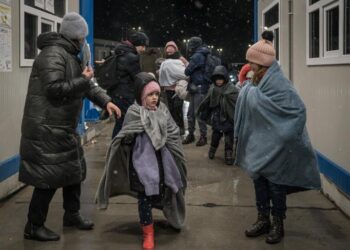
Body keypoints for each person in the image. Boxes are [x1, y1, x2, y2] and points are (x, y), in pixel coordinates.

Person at [19, 12, 121, 241]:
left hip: (62, 126)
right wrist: (83, 80)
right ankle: (33, 226)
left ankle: (71, 215)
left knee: (74, 171)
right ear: (76, 36)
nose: (85, 41)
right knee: (47, 178)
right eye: (83, 37)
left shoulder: (71, 55)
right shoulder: (53, 54)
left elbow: (88, 87)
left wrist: (107, 101)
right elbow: (54, 88)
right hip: (46, 127)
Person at [234, 31, 321, 244]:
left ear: (260, 63)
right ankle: (262, 219)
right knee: (259, 181)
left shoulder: (279, 83)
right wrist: (248, 91)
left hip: (277, 145)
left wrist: (283, 137)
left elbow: (298, 110)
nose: (249, 64)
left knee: (276, 184)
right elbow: (258, 109)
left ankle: (277, 224)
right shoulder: (256, 80)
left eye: (251, 61)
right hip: (259, 142)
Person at [96, 72, 187, 249]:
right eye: (150, 95)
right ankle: (148, 232)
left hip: (162, 162)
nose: (154, 98)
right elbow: (124, 137)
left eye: (156, 94)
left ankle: (171, 216)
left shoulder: (163, 111)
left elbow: (173, 132)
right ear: (140, 95)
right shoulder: (134, 112)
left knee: (165, 191)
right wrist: (130, 137)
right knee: (144, 197)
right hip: (140, 164)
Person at [109, 31, 149, 138]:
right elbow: (138, 77)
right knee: (124, 123)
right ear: (137, 44)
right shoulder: (131, 57)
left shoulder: (120, 52)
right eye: (143, 46)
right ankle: (117, 148)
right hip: (125, 95)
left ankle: (117, 147)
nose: (144, 49)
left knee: (120, 122)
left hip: (117, 94)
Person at [197, 65, 239, 165]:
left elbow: (236, 103)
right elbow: (207, 102)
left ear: (225, 78)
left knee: (229, 138)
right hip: (217, 118)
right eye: (216, 80)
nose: (219, 81)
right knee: (215, 137)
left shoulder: (232, 89)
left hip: (229, 119)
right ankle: (212, 151)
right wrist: (203, 113)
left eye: (221, 79)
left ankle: (228, 155)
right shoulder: (213, 89)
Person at [183, 36, 211, 146]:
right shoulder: (205, 53)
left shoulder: (197, 56)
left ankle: (201, 137)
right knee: (193, 113)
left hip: (198, 87)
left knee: (196, 113)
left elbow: (187, 71)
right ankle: (193, 135)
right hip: (201, 87)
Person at [159, 57, 188, 135]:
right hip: (168, 90)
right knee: (171, 110)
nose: (169, 52)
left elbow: (187, 69)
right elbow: (162, 74)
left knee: (177, 109)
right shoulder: (165, 62)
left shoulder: (181, 59)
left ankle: (181, 127)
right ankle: (174, 127)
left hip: (178, 89)